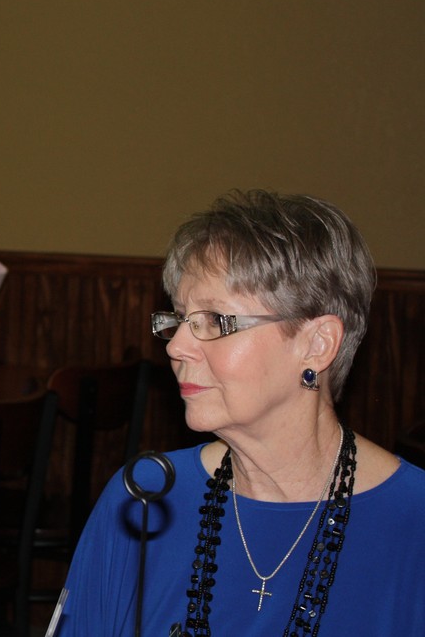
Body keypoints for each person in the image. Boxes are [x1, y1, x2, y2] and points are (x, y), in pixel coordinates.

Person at [56, 190, 425, 635]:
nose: (176, 346)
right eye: (180, 318)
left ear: (317, 344)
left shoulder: (413, 522)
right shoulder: (145, 498)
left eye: (215, 321)